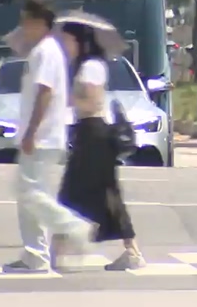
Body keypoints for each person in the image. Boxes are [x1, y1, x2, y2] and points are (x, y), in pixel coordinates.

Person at [4, 0, 93, 273]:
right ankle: (36, 256)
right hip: (46, 137)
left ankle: (73, 227)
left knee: (30, 194)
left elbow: (45, 93)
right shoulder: (46, 50)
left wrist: (31, 132)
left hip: (41, 138)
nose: (22, 26)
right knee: (30, 196)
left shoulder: (45, 51)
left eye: (26, 21)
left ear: (40, 22)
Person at [57, 21, 146, 271]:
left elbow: (93, 104)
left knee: (84, 194)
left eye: (68, 41)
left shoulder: (91, 67)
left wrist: (66, 100)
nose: (65, 46)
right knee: (86, 194)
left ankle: (57, 251)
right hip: (88, 133)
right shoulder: (83, 67)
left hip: (95, 134)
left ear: (80, 41)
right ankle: (59, 250)